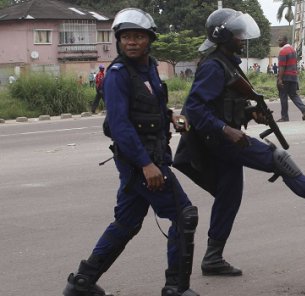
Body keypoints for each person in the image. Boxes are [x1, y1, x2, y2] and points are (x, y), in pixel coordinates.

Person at [175, 7, 305, 278]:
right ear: (223, 35)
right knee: (279, 160)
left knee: (229, 196)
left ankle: (213, 257)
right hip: (218, 141)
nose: (242, 38)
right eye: (237, 33)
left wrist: (251, 114)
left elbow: (222, 106)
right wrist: (226, 130)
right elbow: (193, 110)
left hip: (220, 139)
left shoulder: (227, 63)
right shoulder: (214, 66)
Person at [62, 8, 199, 296]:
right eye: (126, 37)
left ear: (149, 40)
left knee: (126, 222)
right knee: (184, 215)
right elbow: (120, 125)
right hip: (141, 162)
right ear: (118, 41)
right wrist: (146, 165)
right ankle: (176, 288)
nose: (132, 42)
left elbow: (148, 107)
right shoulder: (117, 74)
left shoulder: (148, 68)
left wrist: (171, 115)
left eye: (138, 36)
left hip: (150, 156)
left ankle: (82, 283)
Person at [276, 35, 305, 122]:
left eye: (280, 40)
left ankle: (285, 117)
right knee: (293, 95)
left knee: (283, 96)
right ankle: (304, 109)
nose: (278, 42)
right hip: (294, 77)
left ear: (285, 41)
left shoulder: (283, 51)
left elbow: (282, 67)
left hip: (285, 77)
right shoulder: (293, 51)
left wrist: (279, 79)